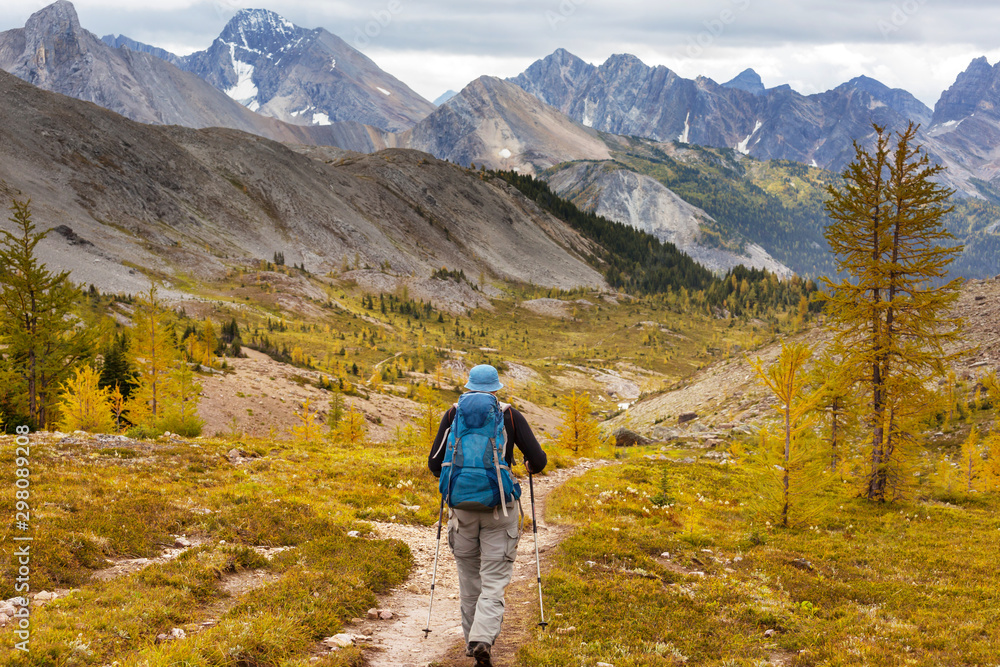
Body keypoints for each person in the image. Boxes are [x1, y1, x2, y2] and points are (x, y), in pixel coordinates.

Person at [428, 364, 547, 667]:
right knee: (493, 580)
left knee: (469, 582)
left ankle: (473, 643)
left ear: (468, 387)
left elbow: (433, 463)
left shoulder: (454, 413)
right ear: (496, 388)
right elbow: (539, 459)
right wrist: (526, 466)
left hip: (462, 512)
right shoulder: (508, 414)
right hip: (500, 510)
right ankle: (483, 638)